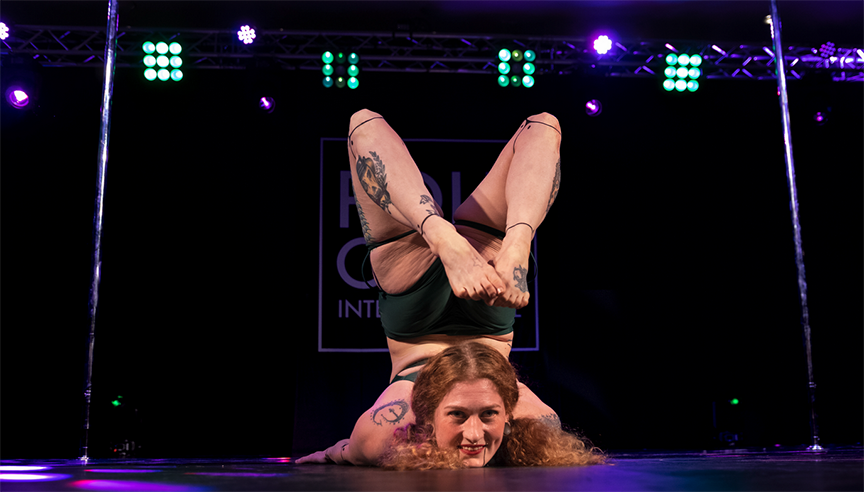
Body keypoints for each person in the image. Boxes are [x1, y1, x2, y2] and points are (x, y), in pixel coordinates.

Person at [297, 110, 600, 468]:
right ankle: (517, 241)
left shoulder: (389, 430)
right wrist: (514, 242)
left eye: (461, 415)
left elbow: (350, 448)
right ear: (509, 413)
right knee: (544, 125)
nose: (475, 435)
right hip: (491, 302)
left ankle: (439, 234)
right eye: (483, 414)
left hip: (415, 314)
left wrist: (339, 453)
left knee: (364, 122)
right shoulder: (535, 423)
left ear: (424, 415)